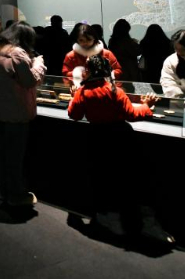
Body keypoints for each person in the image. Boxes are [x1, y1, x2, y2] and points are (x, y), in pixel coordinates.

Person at [67, 55, 172, 242]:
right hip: (121, 137)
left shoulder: (83, 92)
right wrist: (147, 105)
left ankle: (111, 219)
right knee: (131, 179)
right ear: (107, 71)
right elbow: (131, 114)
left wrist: (75, 94)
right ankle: (147, 223)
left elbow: (74, 114)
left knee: (104, 179)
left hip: (98, 138)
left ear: (87, 71)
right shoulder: (115, 90)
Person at [0, 22, 45, 207]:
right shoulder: (17, 53)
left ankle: (2, 188)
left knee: (1, 151)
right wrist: (39, 63)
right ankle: (16, 194)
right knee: (15, 155)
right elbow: (30, 80)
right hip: (15, 111)